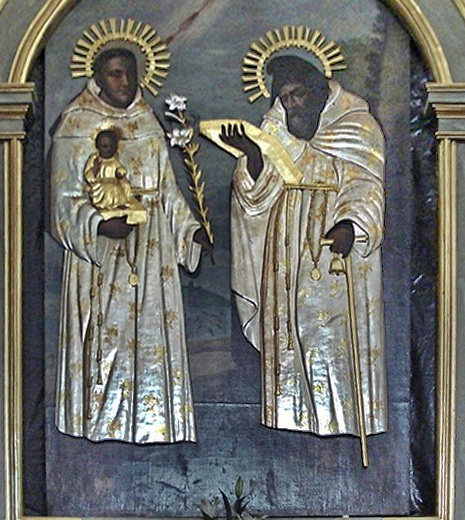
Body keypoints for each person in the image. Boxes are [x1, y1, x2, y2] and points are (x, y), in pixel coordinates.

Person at [221, 56, 387, 437]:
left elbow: (367, 184)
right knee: (290, 337)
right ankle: (293, 428)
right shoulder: (275, 128)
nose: (291, 105)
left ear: (318, 89)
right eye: (284, 97)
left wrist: (351, 224)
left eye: (297, 95)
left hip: (333, 253)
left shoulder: (356, 125)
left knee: (330, 339)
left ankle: (342, 427)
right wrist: (253, 156)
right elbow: (257, 196)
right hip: (287, 249)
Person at [51, 48, 210, 443]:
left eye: (129, 74)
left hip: (151, 251)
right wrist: (99, 224)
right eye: (115, 74)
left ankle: (153, 427)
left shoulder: (146, 122)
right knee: (106, 342)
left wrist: (190, 230)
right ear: (98, 78)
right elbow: (62, 200)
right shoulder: (76, 123)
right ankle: (100, 428)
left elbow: (167, 191)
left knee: (150, 340)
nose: (124, 83)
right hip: (101, 259)